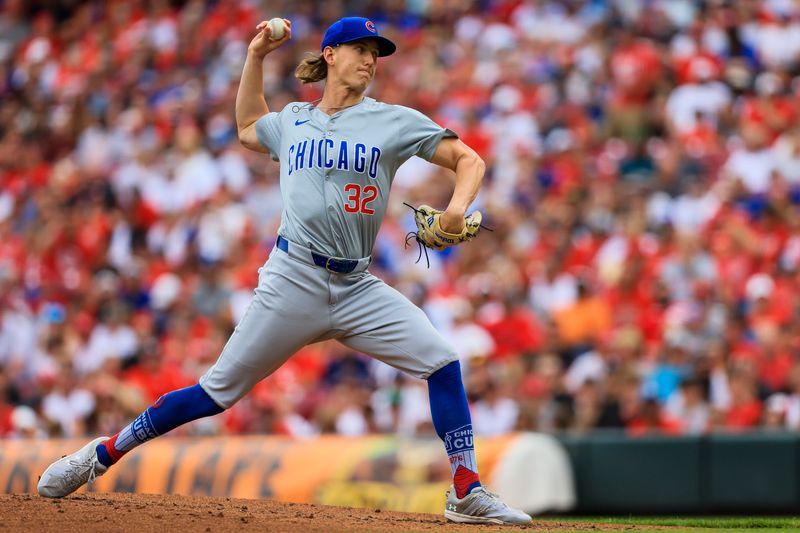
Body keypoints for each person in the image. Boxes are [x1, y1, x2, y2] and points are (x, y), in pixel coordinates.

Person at [37, 16, 531, 525]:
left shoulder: (393, 120)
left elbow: (469, 161)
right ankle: (102, 454)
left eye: (376, 52)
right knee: (215, 392)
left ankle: (466, 488)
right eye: (360, 48)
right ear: (331, 55)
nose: (370, 59)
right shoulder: (293, 119)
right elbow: (249, 127)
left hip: (357, 285)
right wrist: (255, 57)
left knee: (442, 360)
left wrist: (455, 210)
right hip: (293, 277)